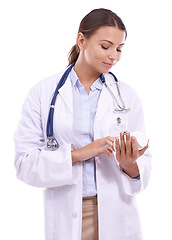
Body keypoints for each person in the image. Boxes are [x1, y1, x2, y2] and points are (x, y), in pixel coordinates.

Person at [14, 8, 152, 240]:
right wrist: (80, 153)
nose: (113, 56)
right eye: (106, 46)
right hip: (68, 213)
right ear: (81, 41)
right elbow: (24, 164)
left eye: (119, 49)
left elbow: (144, 166)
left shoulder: (126, 97)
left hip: (117, 212)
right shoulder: (43, 94)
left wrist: (130, 164)